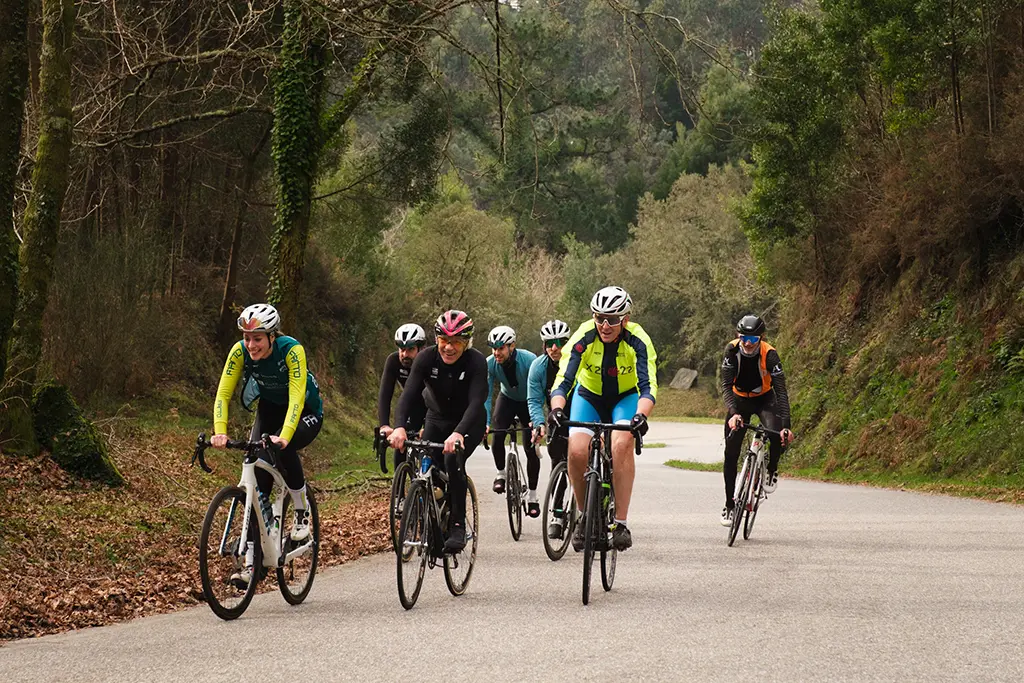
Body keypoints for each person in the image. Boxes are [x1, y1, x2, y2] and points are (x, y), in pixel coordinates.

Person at [212, 303, 324, 586]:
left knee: (284, 449)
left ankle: (301, 511)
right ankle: (254, 563)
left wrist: (284, 436)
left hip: (305, 411)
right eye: (247, 338)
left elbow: (297, 398)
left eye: (258, 338)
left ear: (272, 336)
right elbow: (223, 394)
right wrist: (220, 432)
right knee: (257, 479)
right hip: (270, 409)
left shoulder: (291, 350)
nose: (251, 345)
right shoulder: (239, 351)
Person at [547, 286, 657, 551]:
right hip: (589, 396)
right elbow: (563, 381)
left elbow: (648, 386)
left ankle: (620, 523)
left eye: (612, 319)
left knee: (621, 445)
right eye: (599, 318)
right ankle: (584, 516)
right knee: (576, 451)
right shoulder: (583, 336)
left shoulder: (638, 340)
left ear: (625, 319)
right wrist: (557, 409)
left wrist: (641, 416)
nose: (605, 325)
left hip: (625, 398)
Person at [388, 310, 488, 553]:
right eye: (444, 340)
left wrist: (459, 433)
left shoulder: (476, 362)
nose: (449, 347)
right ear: (436, 340)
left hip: (468, 421)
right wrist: (399, 426)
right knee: (428, 464)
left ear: (467, 342)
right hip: (437, 418)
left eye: (456, 342)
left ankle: (457, 524)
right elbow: (408, 395)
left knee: (452, 459)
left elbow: (477, 402)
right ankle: (433, 520)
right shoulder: (426, 359)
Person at [719, 314, 795, 527]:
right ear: (738, 336)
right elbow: (726, 385)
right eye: (744, 338)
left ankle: (771, 469)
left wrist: (786, 426)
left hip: (765, 399)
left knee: (775, 434)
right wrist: (733, 413)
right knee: (730, 453)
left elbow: (781, 392)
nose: (748, 343)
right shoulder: (731, 350)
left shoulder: (770, 355)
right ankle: (729, 505)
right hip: (739, 401)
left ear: (761, 338)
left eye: (753, 339)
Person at [484, 325, 541, 516]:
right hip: (507, 399)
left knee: (530, 448)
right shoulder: (490, 363)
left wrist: (536, 419)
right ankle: (501, 474)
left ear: (512, 346)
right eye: (494, 348)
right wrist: (485, 422)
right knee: (498, 435)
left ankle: (532, 497)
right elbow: (486, 395)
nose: (496, 353)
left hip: (528, 401)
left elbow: (538, 390)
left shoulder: (529, 360)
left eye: (501, 348)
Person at [527, 319, 574, 539]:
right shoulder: (538, 367)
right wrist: (539, 423)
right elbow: (534, 400)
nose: (555, 348)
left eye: (560, 342)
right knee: (558, 463)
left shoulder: (577, 361)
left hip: (581, 411)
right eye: (549, 343)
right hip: (557, 416)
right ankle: (557, 514)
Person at [377, 323, 427, 468]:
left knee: (432, 450)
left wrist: (428, 427)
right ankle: (400, 479)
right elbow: (385, 394)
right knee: (400, 446)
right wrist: (384, 425)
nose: (405, 354)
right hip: (411, 406)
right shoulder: (393, 361)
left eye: (410, 349)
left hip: (433, 407)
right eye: (402, 349)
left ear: (421, 349)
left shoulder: (429, 361)